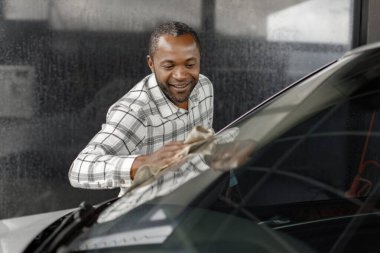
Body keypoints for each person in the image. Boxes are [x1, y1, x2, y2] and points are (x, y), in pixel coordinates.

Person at [69, 21, 214, 196]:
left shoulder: (204, 87)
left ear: (199, 59)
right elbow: (80, 168)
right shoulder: (135, 112)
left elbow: (204, 144)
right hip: (149, 215)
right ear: (151, 64)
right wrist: (145, 163)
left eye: (190, 65)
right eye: (169, 66)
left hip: (197, 203)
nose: (181, 76)